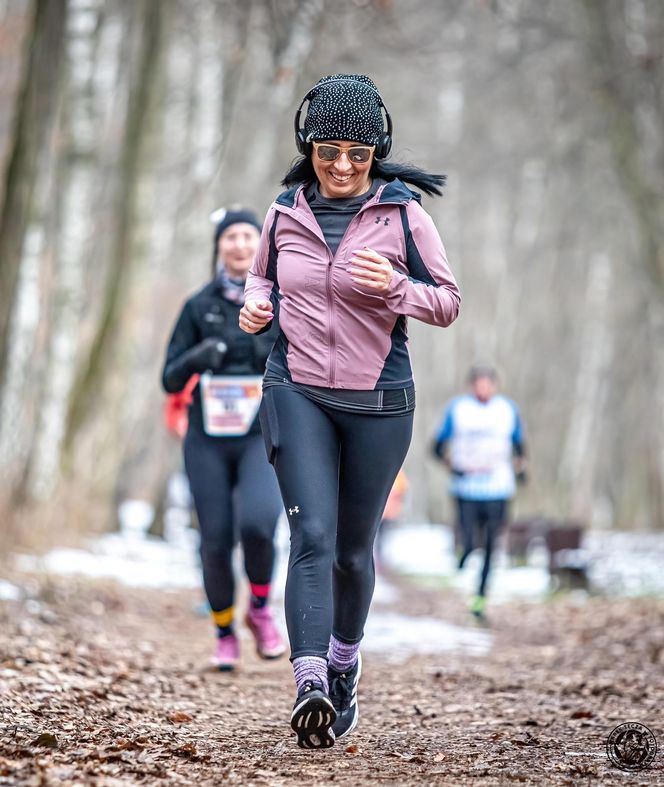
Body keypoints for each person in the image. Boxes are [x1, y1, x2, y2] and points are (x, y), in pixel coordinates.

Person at [239, 74, 460, 749]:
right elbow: (262, 279)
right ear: (308, 145)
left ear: (377, 152)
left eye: (357, 155)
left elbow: (446, 300)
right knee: (312, 537)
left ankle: (341, 668)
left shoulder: (404, 215)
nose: (341, 166)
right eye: (328, 151)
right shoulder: (283, 213)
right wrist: (255, 309)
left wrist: (396, 287)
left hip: (378, 402)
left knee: (354, 553)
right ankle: (308, 682)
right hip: (296, 386)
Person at [161, 208, 286, 671]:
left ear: (262, 245)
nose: (238, 245)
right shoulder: (199, 306)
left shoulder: (281, 301)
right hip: (207, 439)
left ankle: (259, 609)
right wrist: (201, 355)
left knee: (258, 523)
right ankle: (224, 630)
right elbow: (169, 380)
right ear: (219, 246)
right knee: (214, 538)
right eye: (229, 236)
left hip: (260, 434)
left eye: (247, 236)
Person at [432, 365, 527, 623]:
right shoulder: (459, 409)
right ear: (471, 385)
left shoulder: (507, 410)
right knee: (470, 539)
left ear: (494, 385)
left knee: (489, 546)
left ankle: (480, 598)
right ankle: (464, 553)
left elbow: (519, 445)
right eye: (479, 383)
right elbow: (438, 445)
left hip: (498, 487)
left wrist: (521, 468)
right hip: (467, 488)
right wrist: (451, 465)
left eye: (488, 384)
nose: (483, 388)